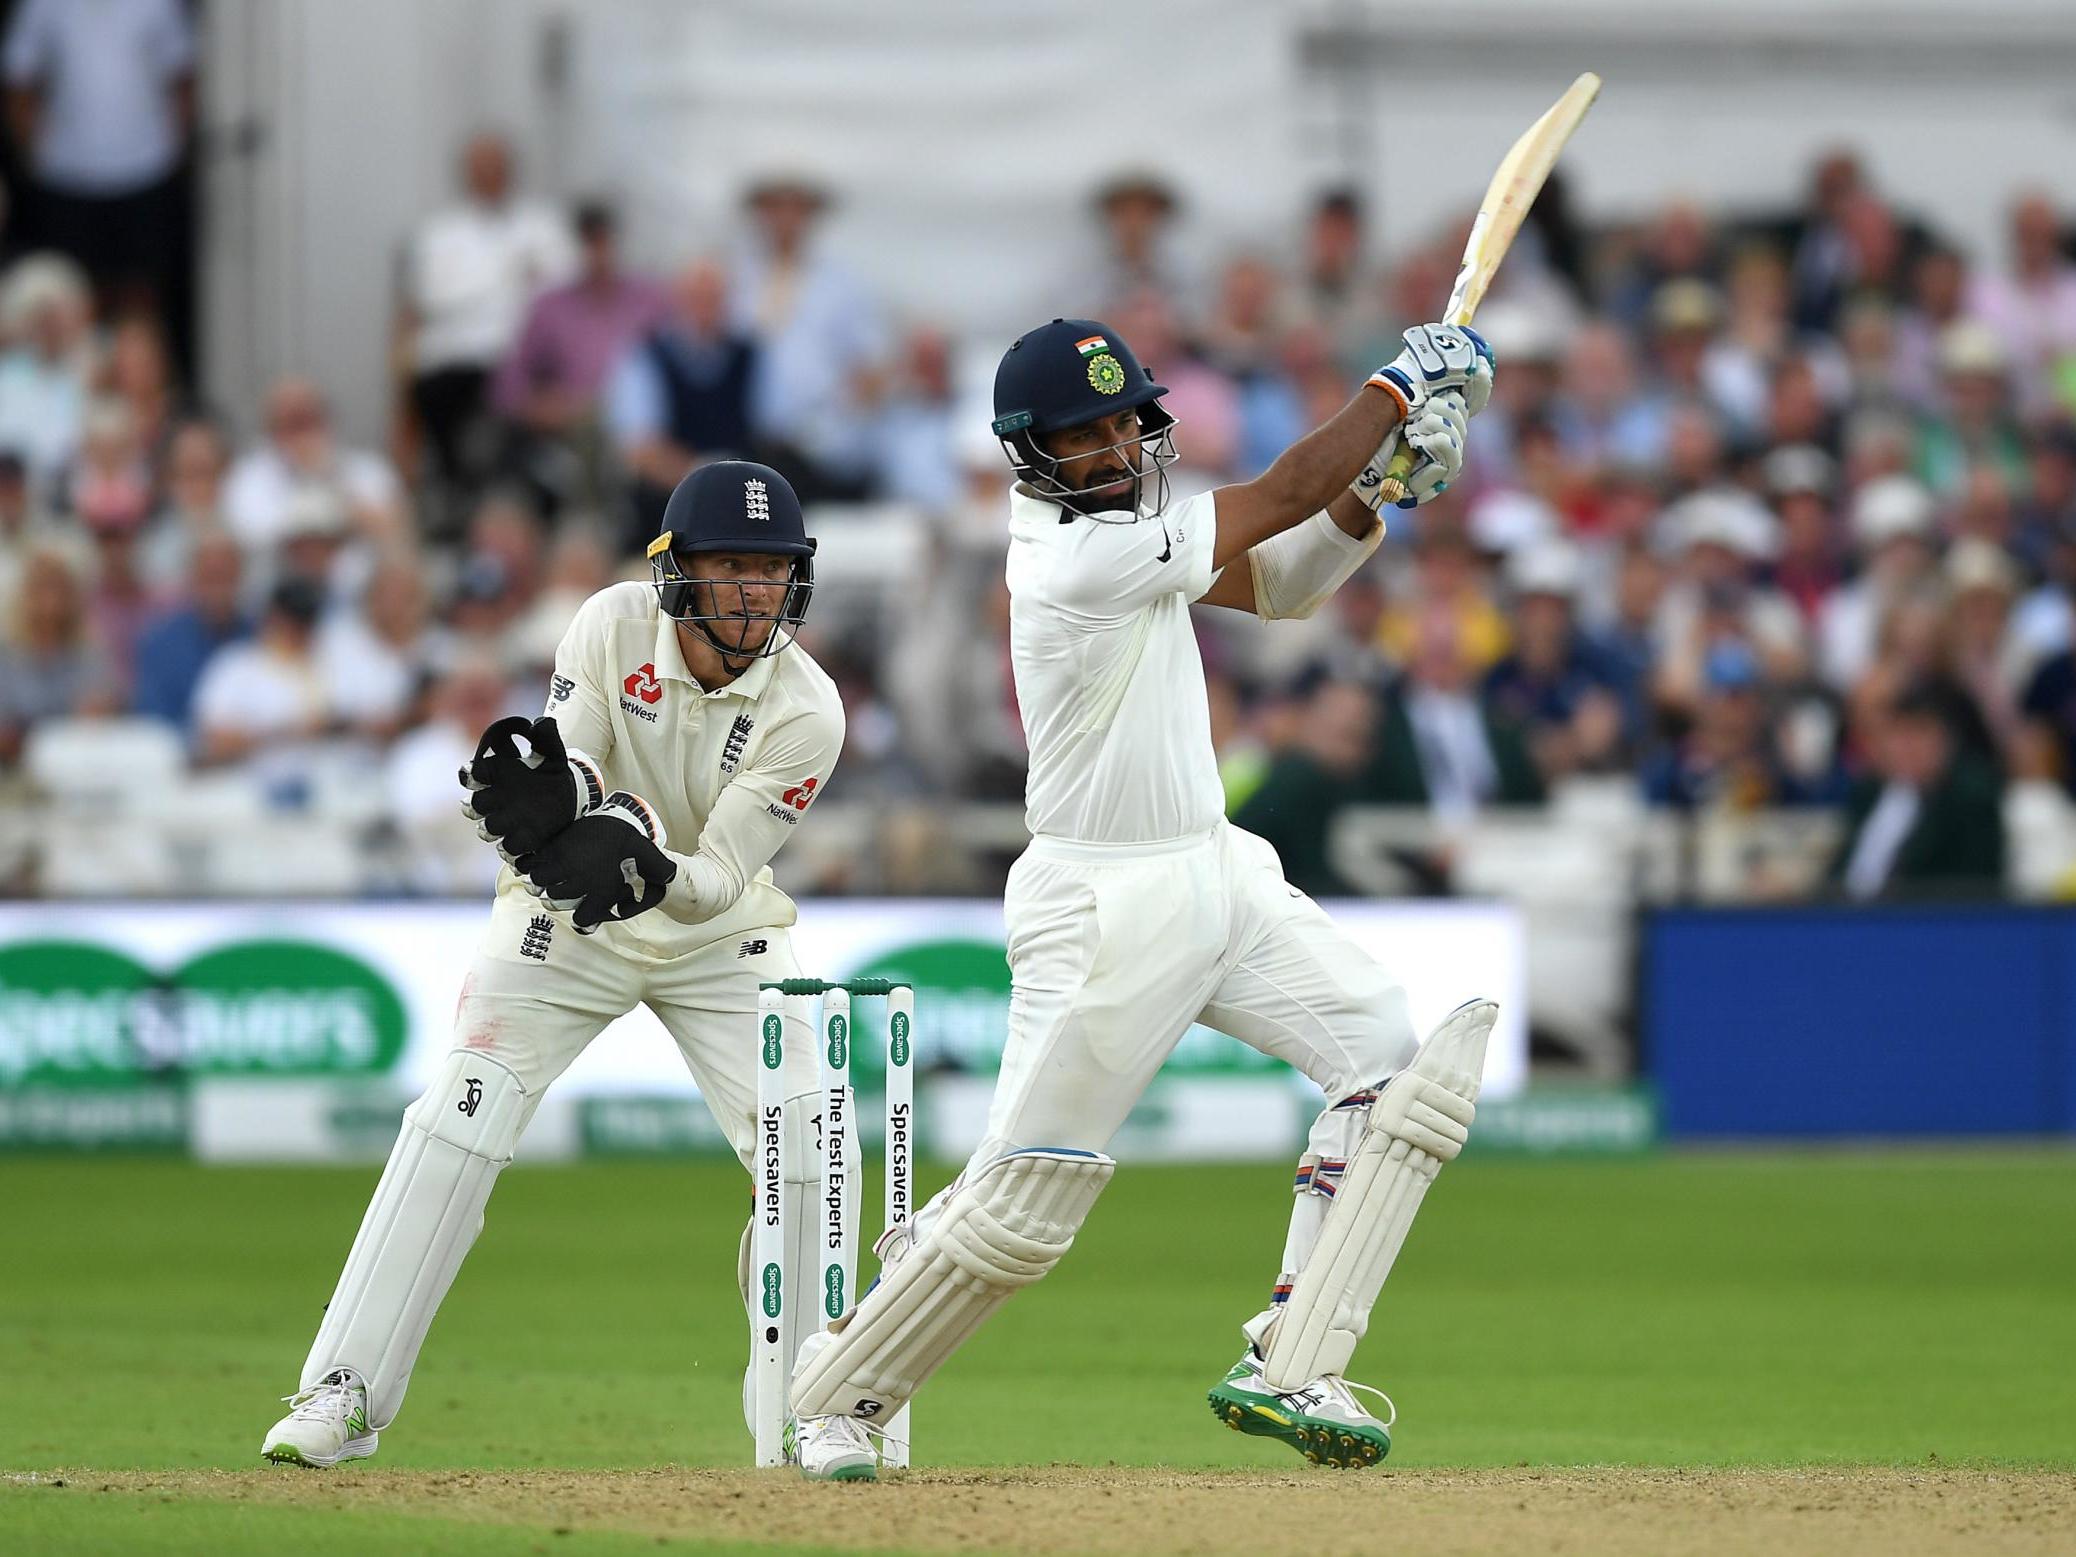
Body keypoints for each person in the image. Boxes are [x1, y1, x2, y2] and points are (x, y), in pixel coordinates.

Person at [784, 316, 1498, 1480]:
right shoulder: (1068, 558)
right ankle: (837, 1395)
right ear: (1030, 452)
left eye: (1126, 421)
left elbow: (1283, 584)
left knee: (1389, 1061)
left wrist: (1385, 488)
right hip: (1102, 905)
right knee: (1021, 1205)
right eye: (1084, 432)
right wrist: (1391, 391)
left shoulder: (1131, 531)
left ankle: (1294, 1356)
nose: (1114, 446)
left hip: (1216, 868)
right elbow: (1276, 494)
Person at [260, 460, 847, 1470]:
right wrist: (556, 804)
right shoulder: (609, 625)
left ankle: (808, 1413)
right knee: (460, 1111)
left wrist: (650, 863)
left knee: (806, 1144)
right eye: (728, 567)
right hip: (569, 910)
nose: (751, 593)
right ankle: (341, 1393)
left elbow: (718, 874)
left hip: (719, 930)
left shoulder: (809, 710)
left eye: (770, 570)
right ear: (677, 574)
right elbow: (571, 762)